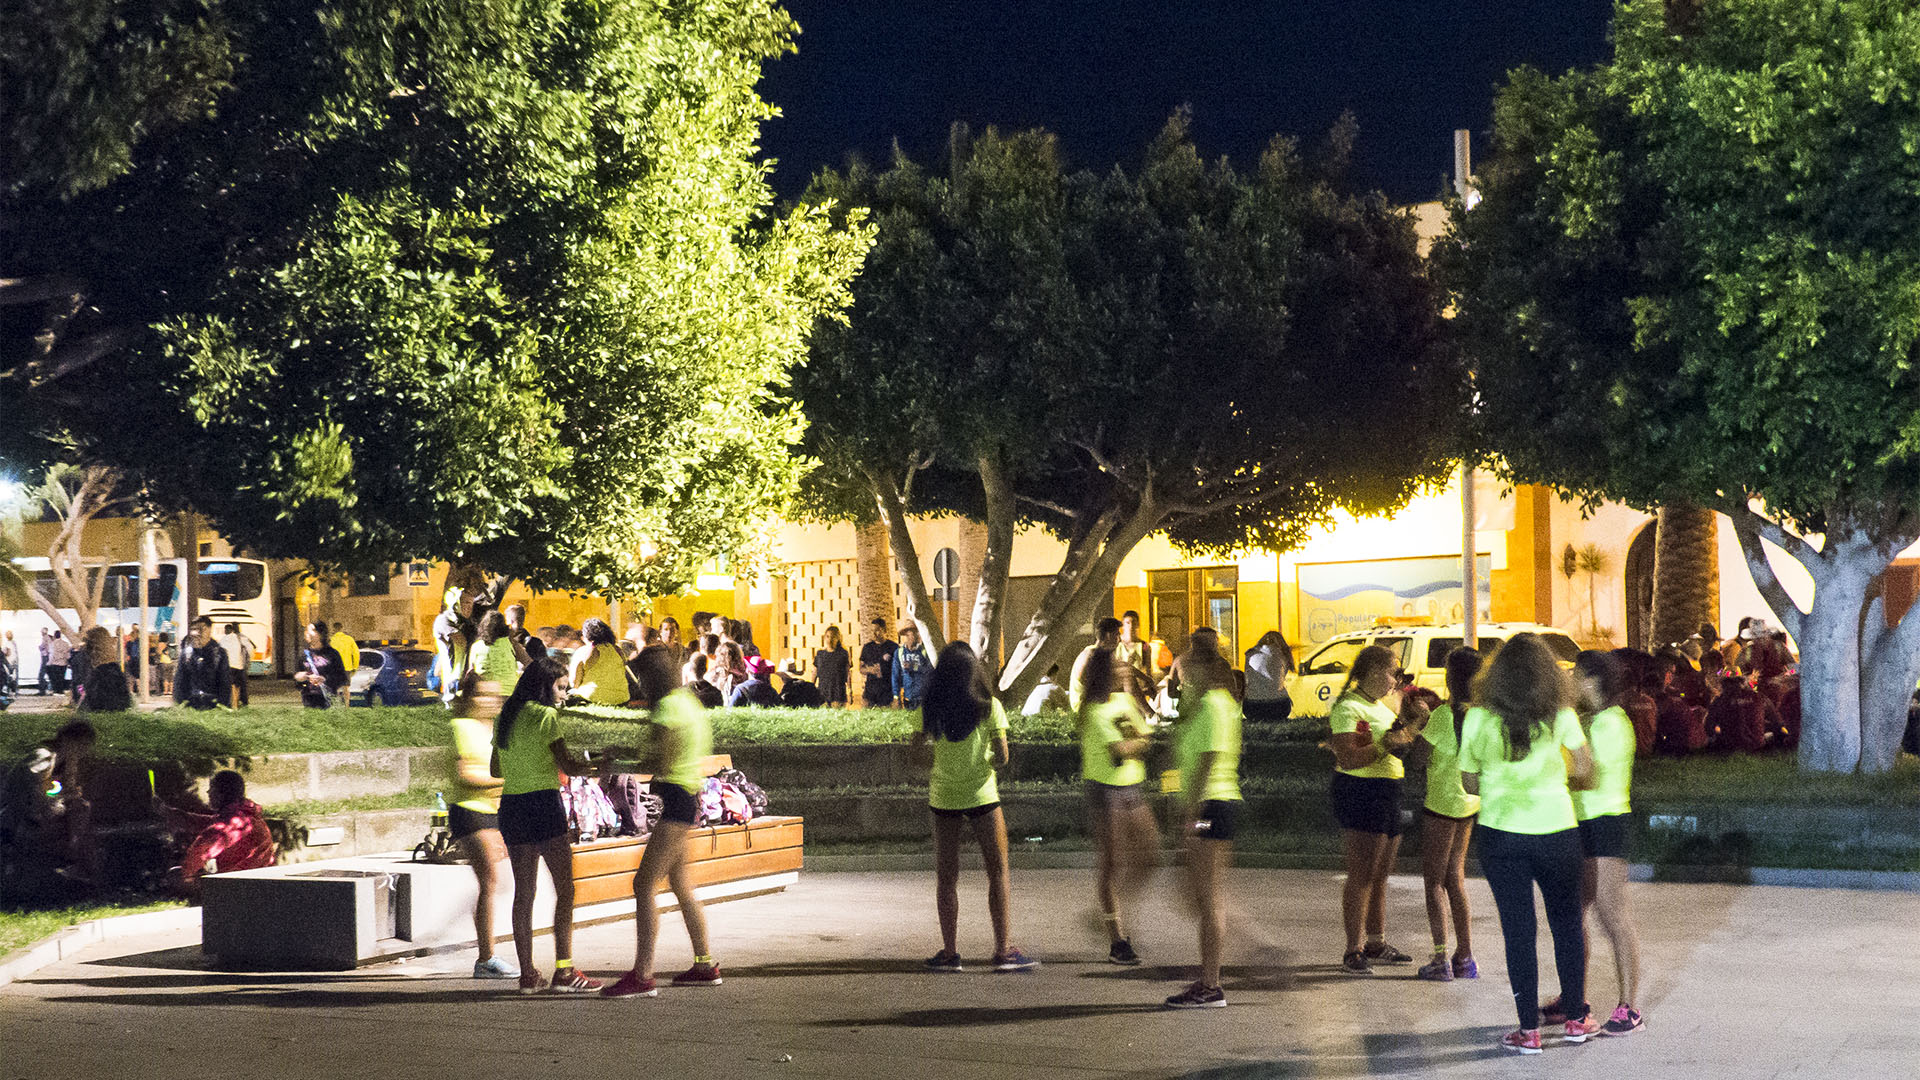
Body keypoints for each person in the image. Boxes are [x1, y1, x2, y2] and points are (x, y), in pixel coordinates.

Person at [1457, 633, 1598, 1053]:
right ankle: (1575, 1019)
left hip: (1502, 834)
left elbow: (1467, 781)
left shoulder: (1479, 718)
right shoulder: (1561, 714)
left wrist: (1501, 779)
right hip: (1557, 829)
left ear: (1496, 675)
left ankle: (1528, 1031)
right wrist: (1555, 777)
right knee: (1567, 924)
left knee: (1518, 931)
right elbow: (1587, 769)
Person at [914, 641, 1037, 973]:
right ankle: (1002, 951)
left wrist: (939, 764)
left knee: (946, 876)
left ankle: (951, 952)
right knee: (997, 871)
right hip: (983, 796)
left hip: (944, 797)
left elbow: (915, 752)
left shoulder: (931, 707)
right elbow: (1004, 755)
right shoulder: (989, 706)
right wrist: (983, 762)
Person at [603, 650, 720, 997]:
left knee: (643, 885)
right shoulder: (690, 703)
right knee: (682, 884)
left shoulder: (667, 709)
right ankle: (704, 963)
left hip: (675, 802)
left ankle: (642, 974)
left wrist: (616, 758)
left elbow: (661, 759)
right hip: (687, 797)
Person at [492, 656, 602, 994]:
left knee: (524, 895)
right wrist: (602, 764)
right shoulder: (547, 717)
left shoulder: (504, 719)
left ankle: (528, 975)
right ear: (545, 687)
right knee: (565, 889)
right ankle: (565, 971)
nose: (564, 695)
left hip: (512, 807)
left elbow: (496, 770)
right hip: (543, 805)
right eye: (561, 688)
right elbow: (569, 764)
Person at [1326, 644, 1426, 974]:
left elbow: (1399, 746)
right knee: (1361, 874)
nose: (1396, 680)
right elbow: (1348, 756)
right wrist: (1386, 744)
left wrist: (1415, 725)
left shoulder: (1381, 707)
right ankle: (1353, 950)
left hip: (1388, 790)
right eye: (1392, 672)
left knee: (1380, 875)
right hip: (1361, 790)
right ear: (1371, 672)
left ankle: (1376, 941)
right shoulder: (1349, 707)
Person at [1164, 627, 1243, 1008]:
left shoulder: (1213, 704)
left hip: (1209, 807)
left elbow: (1208, 760)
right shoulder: (1215, 703)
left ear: (1199, 667)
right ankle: (1211, 974)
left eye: (1184, 667)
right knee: (1202, 894)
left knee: (1207, 897)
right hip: (1213, 805)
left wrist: (1189, 817)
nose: (1179, 674)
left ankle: (1210, 984)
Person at [1570, 650, 1645, 1035]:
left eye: (1574, 675)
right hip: (1581, 822)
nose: (1568, 682)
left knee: (1613, 914)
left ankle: (1629, 1007)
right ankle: (1573, 999)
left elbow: (1590, 778)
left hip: (1606, 822)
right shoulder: (1590, 721)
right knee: (1574, 913)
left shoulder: (1611, 723)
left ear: (1592, 681)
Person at [1077, 646, 1156, 967]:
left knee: (1149, 857)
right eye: (1118, 666)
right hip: (1106, 790)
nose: (1125, 670)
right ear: (1103, 673)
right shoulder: (1092, 712)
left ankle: (1107, 913)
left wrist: (1135, 744)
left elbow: (1145, 737)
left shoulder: (1124, 702)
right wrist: (1136, 743)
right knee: (1111, 863)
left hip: (1132, 787)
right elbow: (1123, 747)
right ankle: (1117, 940)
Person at [1414, 647, 1482, 982]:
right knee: (1456, 879)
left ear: (1450, 679)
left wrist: (1418, 724)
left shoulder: (1442, 717)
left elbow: (1418, 758)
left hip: (1440, 805)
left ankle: (1440, 958)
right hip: (1467, 805)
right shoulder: (1481, 717)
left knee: (1434, 883)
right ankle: (1465, 956)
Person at [447, 655, 516, 980]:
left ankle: (485, 952)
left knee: (493, 884)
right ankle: (485, 957)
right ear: (469, 698)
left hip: (493, 813)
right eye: (483, 695)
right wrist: (508, 780)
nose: (491, 702)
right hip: (469, 812)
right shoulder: (460, 727)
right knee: (490, 882)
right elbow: (466, 775)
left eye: (496, 696)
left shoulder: (497, 730)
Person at [0, 720, 97, 903]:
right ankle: (74, 859)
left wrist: (70, 793)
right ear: (68, 740)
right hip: (20, 816)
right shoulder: (44, 755)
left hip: (43, 812)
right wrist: (50, 807)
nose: (84, 751)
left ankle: (76, 858)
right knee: (78, 813)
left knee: (81, 807)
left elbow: (66, 790)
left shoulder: (66, 760)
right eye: (82, 745)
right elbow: (34, 786)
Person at [157, 770, 275, 893]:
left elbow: (201, 850)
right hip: (260, 880)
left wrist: (185, 875)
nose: (208, 792)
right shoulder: (243, 814)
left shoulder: (231, 822)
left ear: (222, 794)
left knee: (174, 875)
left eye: (212, 788)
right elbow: (202, 823)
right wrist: (166, 812)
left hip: (244, 887)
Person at [172, 616, 233, 710]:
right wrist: (180, 702)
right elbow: (179, 680)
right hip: (191, 707)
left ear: (209, 630)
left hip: (213, 707)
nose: (197, 633)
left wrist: (222, 704)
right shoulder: (186, 654)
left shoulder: (219, 653)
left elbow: (225, 681)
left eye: (201, 629)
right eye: (193, 630)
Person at [569, 618, 631, 706]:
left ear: (587, 635)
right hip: (622, 698)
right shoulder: (618, 651)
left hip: (591, 697)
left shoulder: (584, 651)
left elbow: (574, 681)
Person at [1069, 618, 1124, 711]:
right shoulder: (1094, 655)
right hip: (1087, 709)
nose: (1120, 639)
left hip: (1091, 707)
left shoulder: (1095, 653)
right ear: (1108, 635)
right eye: (1117, 634)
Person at [433, 588, 476, 705]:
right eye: (465, 602)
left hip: (469, 679)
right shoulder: (444, 620)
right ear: (455, 603)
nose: (469, 606)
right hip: (453, 680)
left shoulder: (468, 623)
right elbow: (460, 642)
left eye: (471, 602)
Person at [1242, 630, 1295, 723]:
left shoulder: (1250, 654)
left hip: (1251, 707)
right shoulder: (1283, 655)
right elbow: (1278, 680)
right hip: (1277, 707)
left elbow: (1248, 676)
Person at [292, 621, 348, 708]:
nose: (308, 633)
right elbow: (297, 682)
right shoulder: (304, 654)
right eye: (306, 630)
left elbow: (342, 678)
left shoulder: (332, 654)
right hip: (309, 700)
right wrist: (301, 677)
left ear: (321, 633)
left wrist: (325, 679)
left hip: (328, 701)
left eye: (312, 630)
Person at [472, 610, 527, 696]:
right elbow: (529, 663)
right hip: (510, 693)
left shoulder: (476, 646)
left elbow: (471, 671)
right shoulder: (510, 643)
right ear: (504, 627)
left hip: (486, 693)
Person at [79, 627, 132, 713]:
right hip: (114, 716)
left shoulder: (97, 670)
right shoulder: (114, 669)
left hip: (99, 715)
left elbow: (87, 692)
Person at [859, 618, 898, 707]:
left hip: (887, 693)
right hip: (870, 694)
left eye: (877, 630)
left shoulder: (893, 647)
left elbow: (899, 670)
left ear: (884, 630)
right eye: (872, 630)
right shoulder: (867, 648)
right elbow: (861, 669)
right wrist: (870, 670)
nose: (874, 633)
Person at [892, 623, 933, 708]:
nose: (916, 636)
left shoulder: (924, 651)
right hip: (908, 698)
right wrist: (896, 696)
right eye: (911, 634)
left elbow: (930, 671)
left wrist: (914, 667)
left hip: (923, 697)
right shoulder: (899, 653)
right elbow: (895, 675)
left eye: (916, 633)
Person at [219, 623, 255, 708]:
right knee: (239, 686)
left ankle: (232, 704)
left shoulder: (223, 640)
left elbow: (220, 653)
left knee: (230, 685)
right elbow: (250, 648)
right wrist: (248, 660)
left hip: (229, 666)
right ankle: (240, 703)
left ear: (226, 630)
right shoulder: (240, 638)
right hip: (239, 666)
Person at [813, 626, 850, 707]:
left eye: (833, 637)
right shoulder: (820, 654)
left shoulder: (843, 654)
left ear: (838, 638)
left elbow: (847, 673)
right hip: (822, 694)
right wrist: (811, 688)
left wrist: (850, 690)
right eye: (827, 636)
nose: (829, 639)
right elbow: (815, 672)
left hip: (838, 694)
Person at [45, 629, 71, 694]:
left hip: (55, 663)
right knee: (62, 677)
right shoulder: (65, 644)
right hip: (63, 663)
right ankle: (61, 690)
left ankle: (56, 690)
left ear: (54, 636)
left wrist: (49, 663)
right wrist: (68, 662)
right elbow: (67, 654)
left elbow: (52, 654)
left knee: (55, 678)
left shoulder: (52, 644)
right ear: (60, 635)